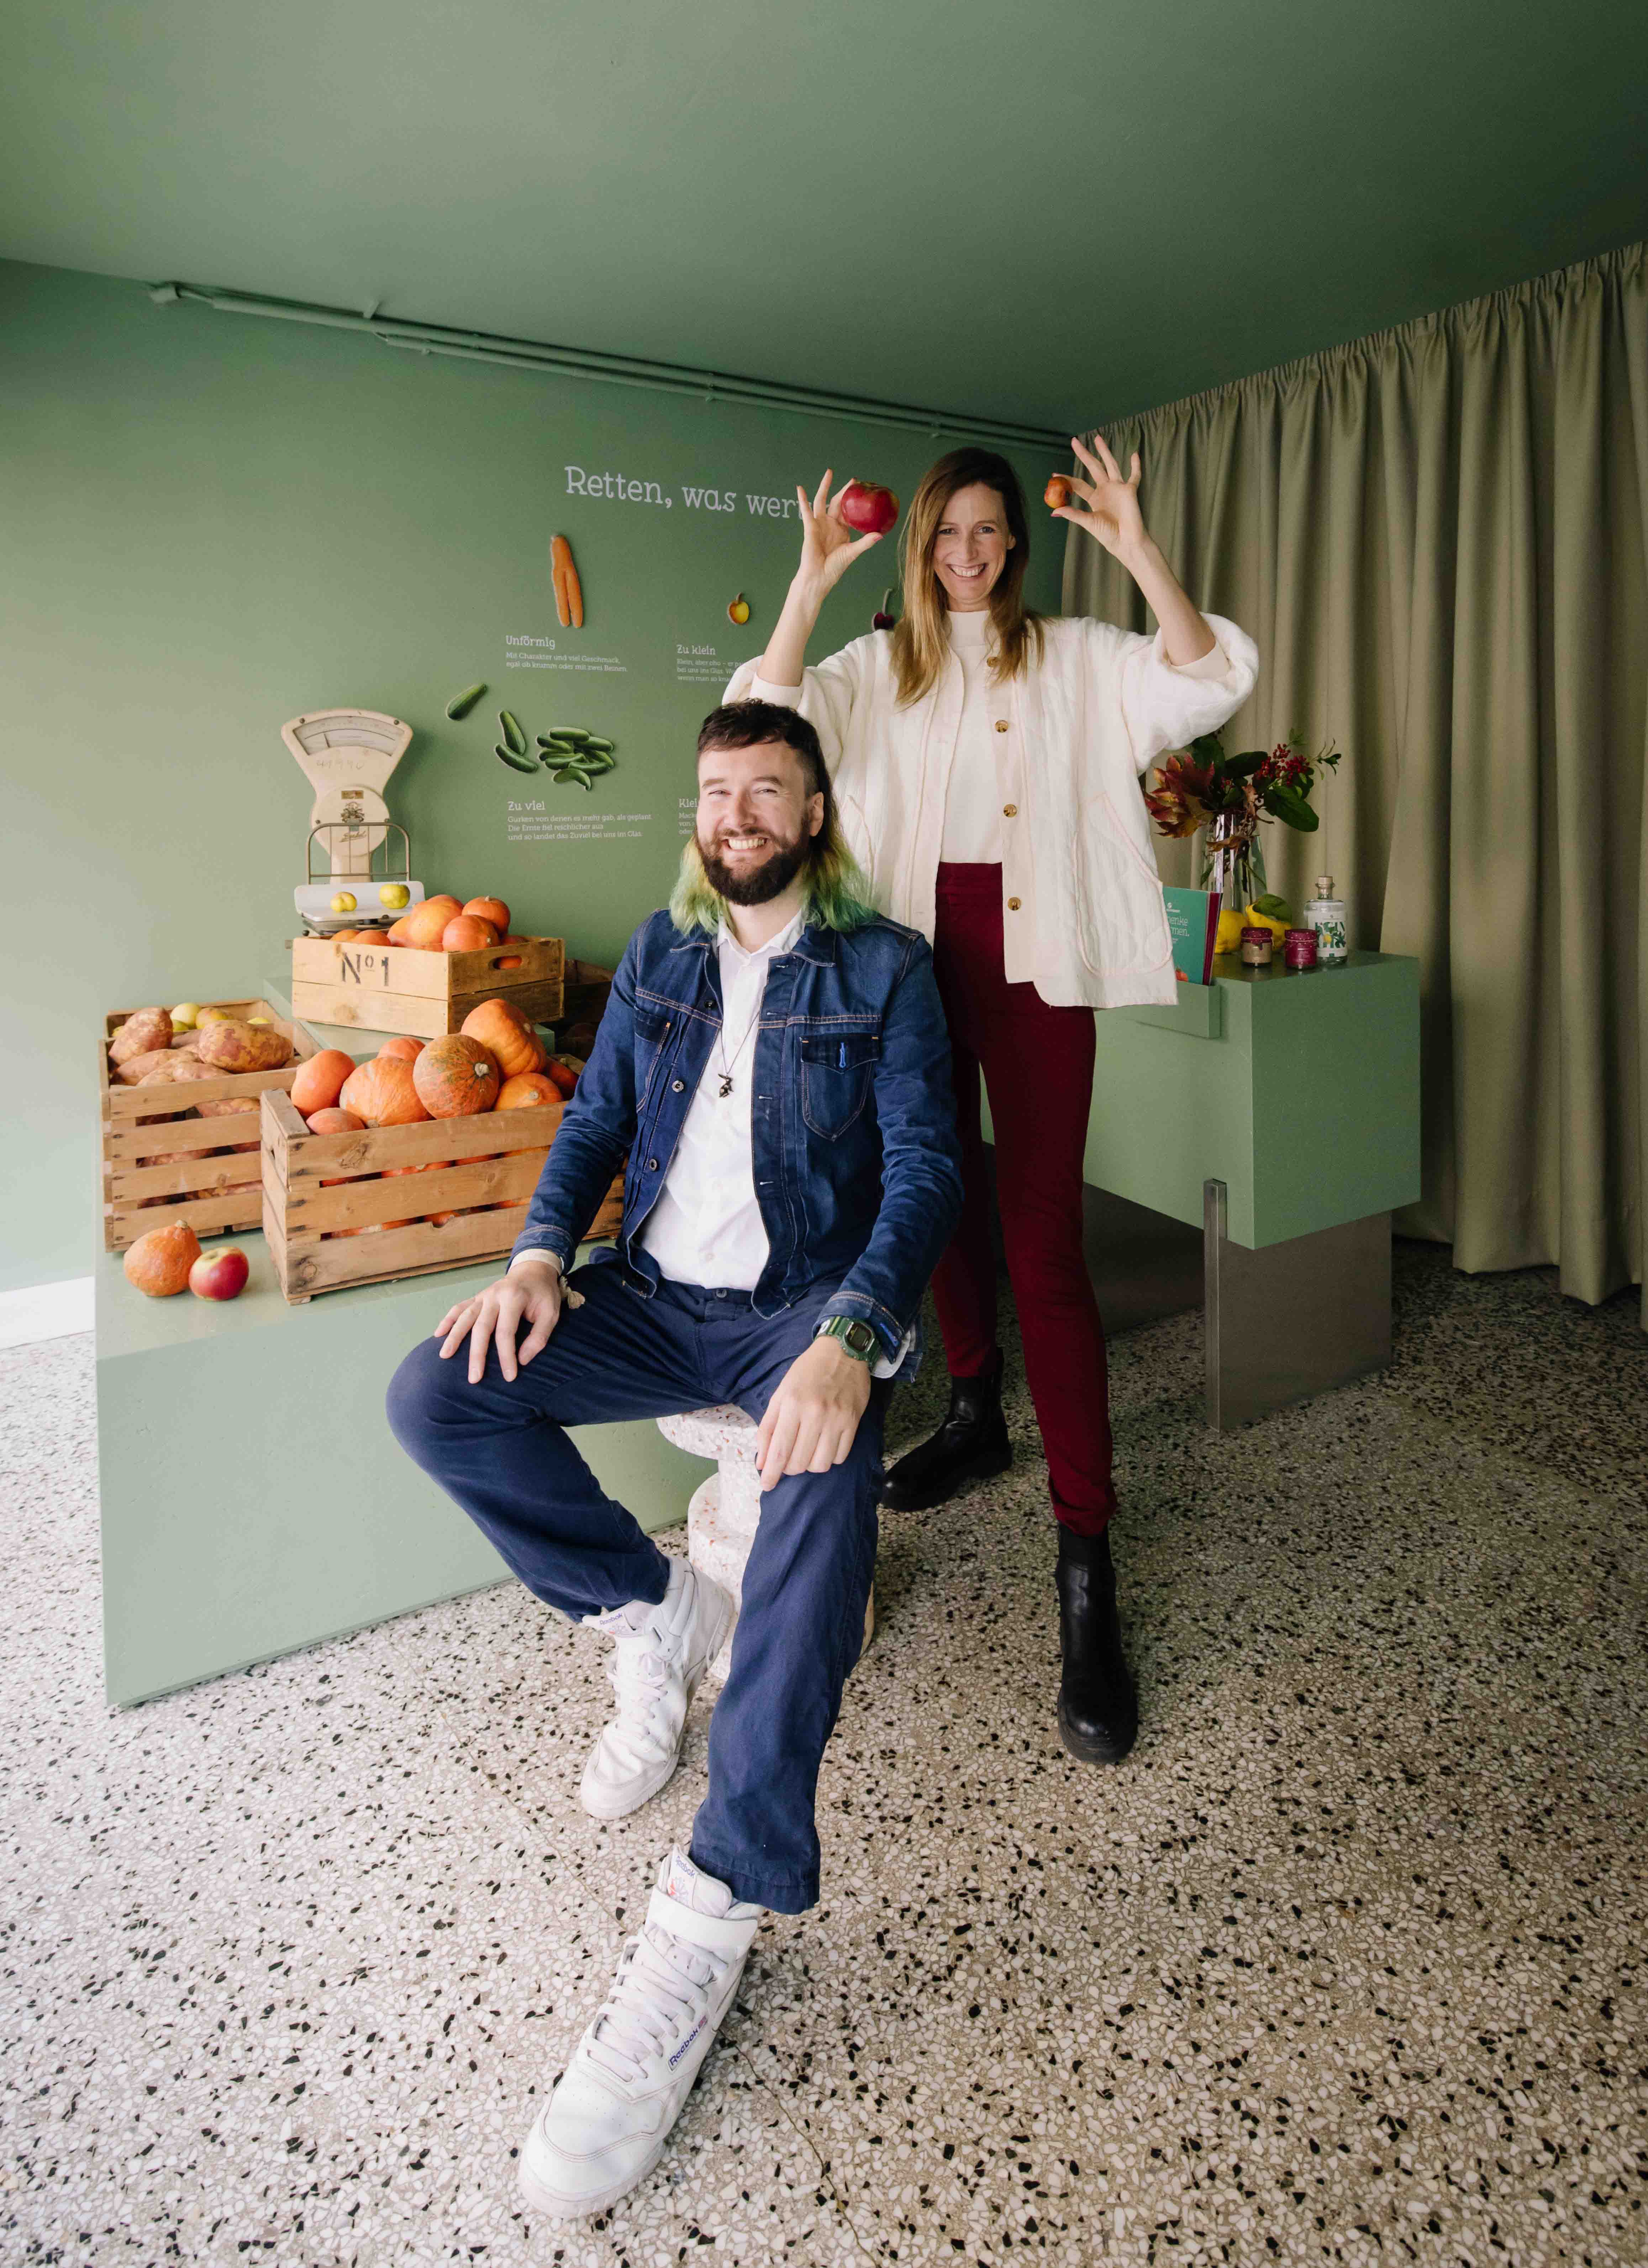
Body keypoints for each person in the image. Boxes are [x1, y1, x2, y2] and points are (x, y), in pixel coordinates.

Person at [386, 699, 960, 2220]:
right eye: (717, 791)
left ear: (813, 815)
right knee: (438, 1394)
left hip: (799, 1313)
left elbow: (926, 1169)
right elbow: (591, 1128)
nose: (737, 815)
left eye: (767, 791)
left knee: (822, 1489)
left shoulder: (888, 968)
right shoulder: (661, 949)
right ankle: (657, 1615)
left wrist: (853, 1337)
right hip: (647, 1301)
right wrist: (536, 1257)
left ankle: (709, 1910)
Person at [725, 438, 1259, 1767]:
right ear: (920, 543)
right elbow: (762, 719)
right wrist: (807, 584)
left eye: (988, 531)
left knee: (1044, 1241)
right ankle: (975, 1413)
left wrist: (1138, 547)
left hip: (1038, 962)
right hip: (909, 962)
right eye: (947, 532)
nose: (967, 553)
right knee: (936, 1200)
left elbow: (1210, 681)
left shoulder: (1076, 655)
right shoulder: (877, 668)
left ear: (1015, 542)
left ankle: (1088, 1564)